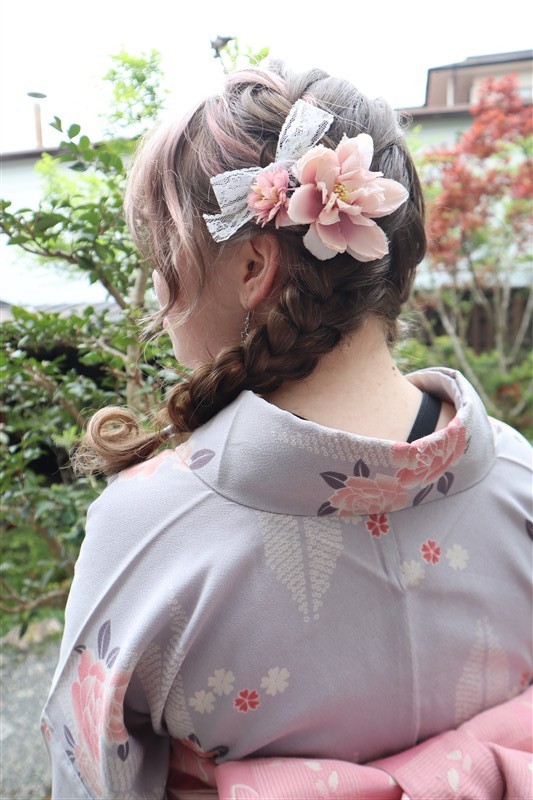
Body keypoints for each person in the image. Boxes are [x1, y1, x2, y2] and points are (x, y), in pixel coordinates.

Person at [42, 62, 532, 799]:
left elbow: (89, 778)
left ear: (253, 267)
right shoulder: (518, 481)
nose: (158, 295)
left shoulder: (149, 530)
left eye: (162, 260)